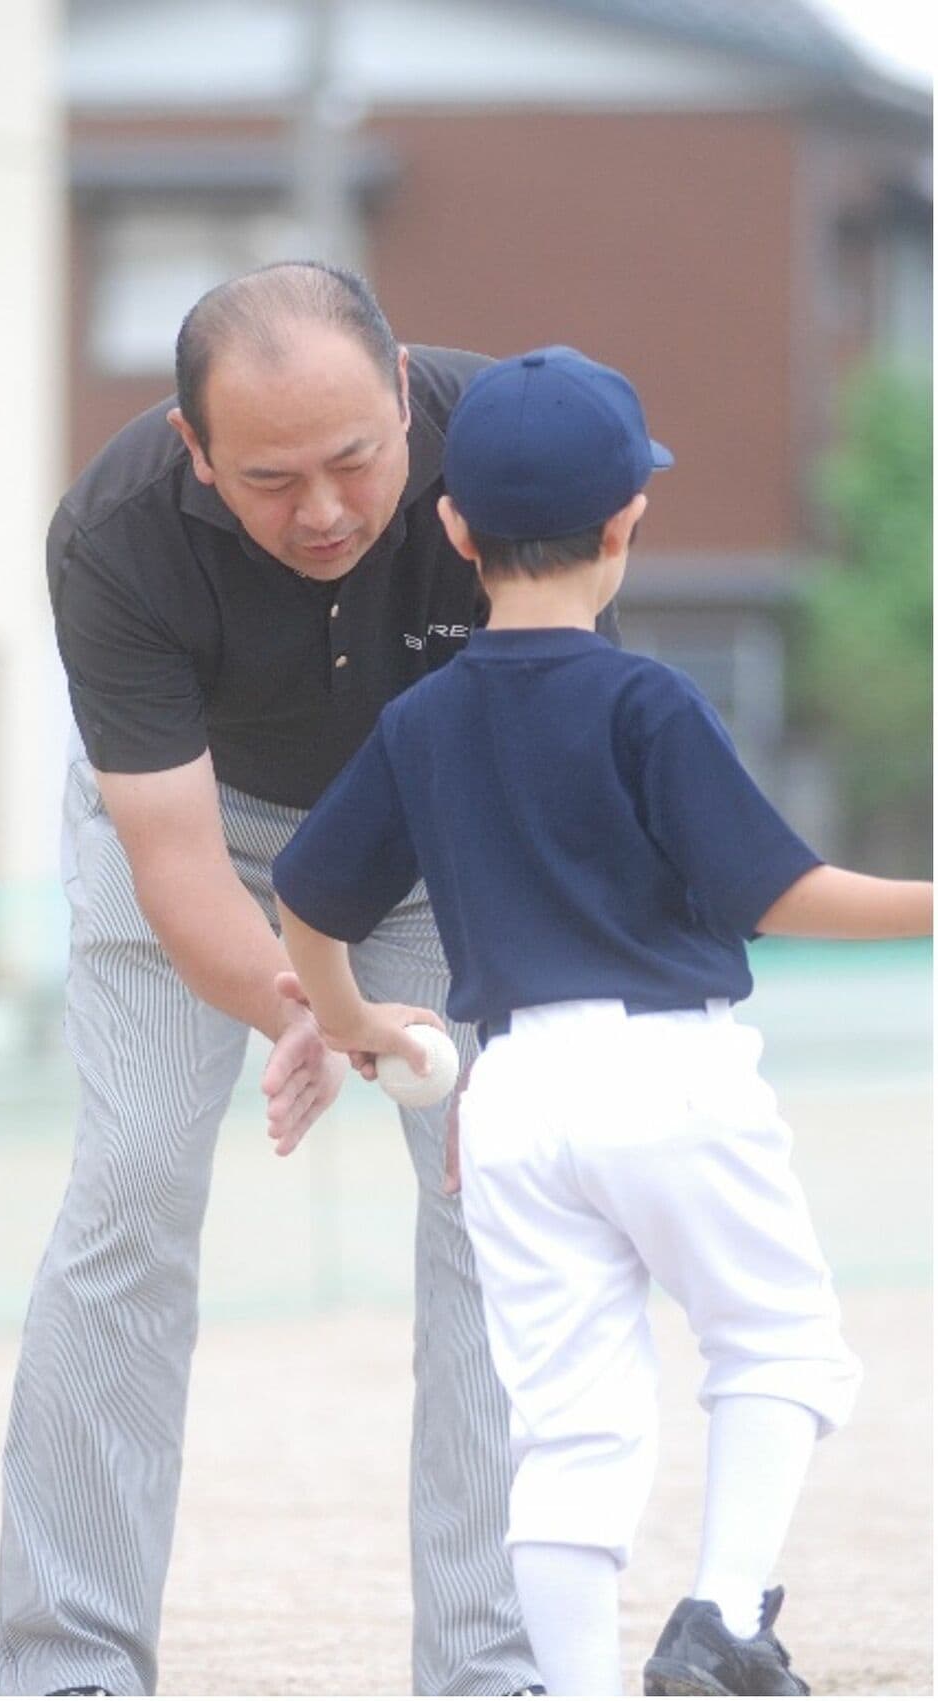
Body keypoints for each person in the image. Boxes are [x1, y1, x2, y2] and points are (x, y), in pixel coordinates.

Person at [0, 262, 632, 1697]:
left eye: (356, 459)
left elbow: (561, 768)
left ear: (407, 394)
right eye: (272, 478)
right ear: (194, 449)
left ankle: (495, 1665)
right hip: (210, 835)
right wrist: (306, 1008)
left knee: (498, 1197)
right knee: (132, 1187)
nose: (327, 508)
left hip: (443, 836)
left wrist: (517, 1028)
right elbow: (167, 851)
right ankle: (69, 1664)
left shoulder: (514, 450)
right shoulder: (117, 535)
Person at [270, 345, 933, 1696]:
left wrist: (359, 1027)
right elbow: (779, 893)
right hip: (668, 1070)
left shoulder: (423, 719)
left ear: (453, 528)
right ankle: (724, 1616)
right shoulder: (648, 697)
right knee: (780, 1342)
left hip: (506, 1097)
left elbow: (309, 896)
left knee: (567, 1429)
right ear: (630, 520)